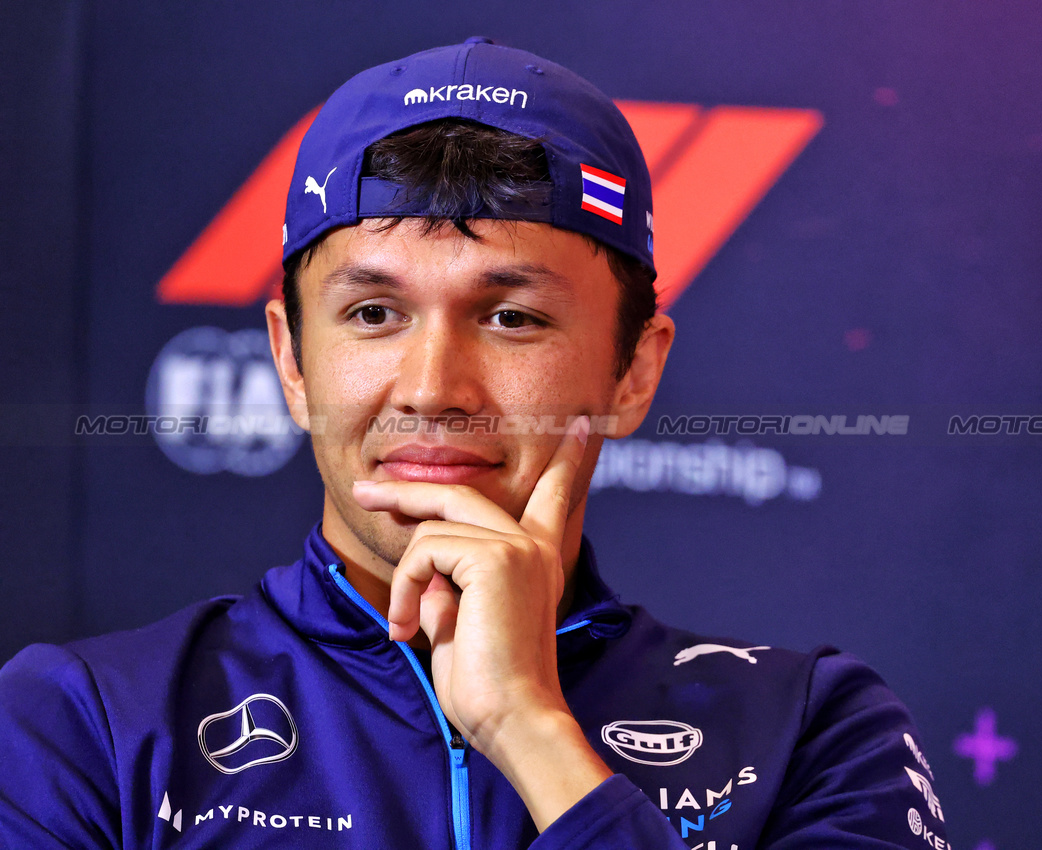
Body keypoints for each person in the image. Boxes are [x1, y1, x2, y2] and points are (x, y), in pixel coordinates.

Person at [0, 39, 950, 849]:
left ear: (633, 371)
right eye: (373, 313)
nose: (429, 389)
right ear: (291, 362)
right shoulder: (84, 724)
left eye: (510, 317)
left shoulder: (809, 731)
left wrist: (529, 728)